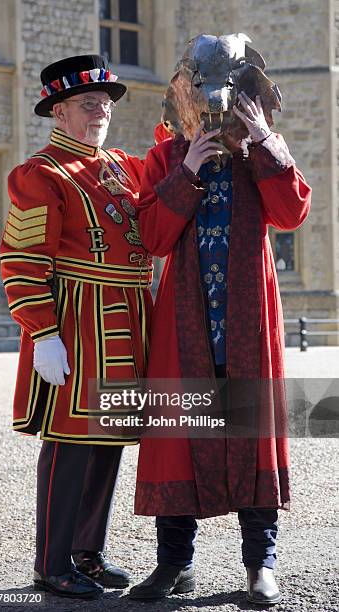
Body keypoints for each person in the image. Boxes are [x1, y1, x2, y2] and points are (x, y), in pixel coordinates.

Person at [130, 89, 311, 604]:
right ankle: (174, 566)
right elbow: (152, 237)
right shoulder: (165, 156)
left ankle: (260, 567)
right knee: (179, 441)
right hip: (187, 320)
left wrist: (264, 140)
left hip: (247, 318)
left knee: (252, 434)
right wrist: (185, 169)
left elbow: (294, 211)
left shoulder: (260, 152)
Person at [0, 54, 153, 600]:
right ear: (58, 112)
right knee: (69, 445)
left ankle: (87, 553)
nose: (101, 113)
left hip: (129, 318)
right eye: (89, 104)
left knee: (109, 441)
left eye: (106, 105)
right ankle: (51, 562)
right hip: (79, 321)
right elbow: (21, 259)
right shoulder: (38, 175)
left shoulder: (120, 166)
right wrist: (42, 332)